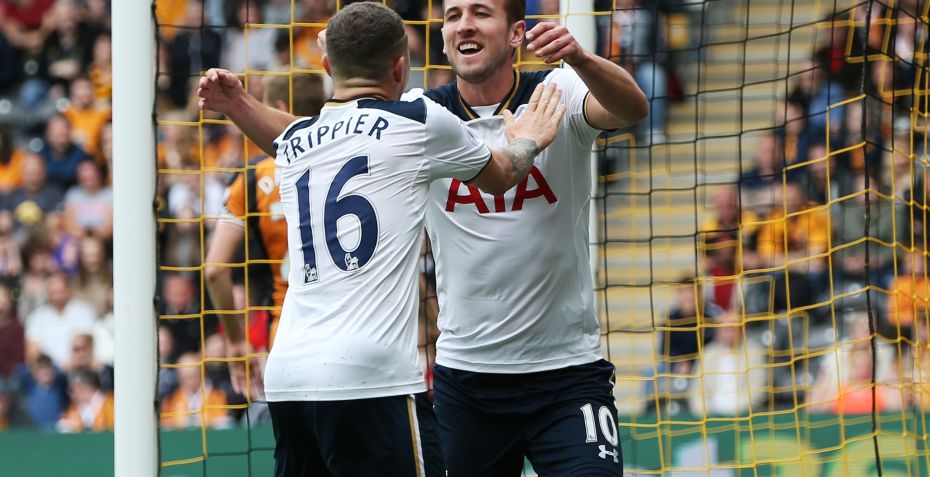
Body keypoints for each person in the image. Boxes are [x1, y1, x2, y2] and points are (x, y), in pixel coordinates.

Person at [204, 0, 646, 474]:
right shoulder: (420, 114)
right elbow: (313, 136)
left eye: (481, 13)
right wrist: (243, 105)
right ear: (437, 42)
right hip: (468, 378)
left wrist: (581, 58)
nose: (464, 25)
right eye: (453, 16)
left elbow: (632, 107)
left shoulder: (555, 91)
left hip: (566, 373)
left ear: (517, 33)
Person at [204, 74, 325, 398]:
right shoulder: (353, 159)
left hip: (286, 335)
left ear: (280, 108)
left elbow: (214, 270)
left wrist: (236, 340)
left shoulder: (252, 176)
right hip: (350, 327)